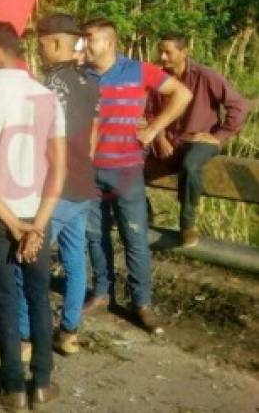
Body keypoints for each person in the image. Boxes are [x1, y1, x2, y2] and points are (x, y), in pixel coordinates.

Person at [0, 21, 65, 411]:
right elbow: (59, 168)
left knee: (4, 299)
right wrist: (35, 224)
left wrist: (9, 222)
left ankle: (12, 388)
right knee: (38, 296)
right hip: (38, 211)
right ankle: (41, 382)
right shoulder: (47, 96)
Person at [82, 19, 192, 335]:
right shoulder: (81, 75)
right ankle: (102, 292)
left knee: (135, 237)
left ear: (109, 43)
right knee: (94, 234)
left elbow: (181, 95)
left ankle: (141, 302)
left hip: (127, 168)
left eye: (90, 39)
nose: (84, 45)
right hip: (89, 169)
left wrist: (154, 129)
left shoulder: (138, 70)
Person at [14, 14, 100, 357]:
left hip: (56, 186)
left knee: (27, 259)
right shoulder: (89, 82)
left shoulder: (49, 88)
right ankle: (69, 331)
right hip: (83, 182)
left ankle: (23, 338)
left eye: (41, 43)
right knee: (75, 258)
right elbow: (92, 135)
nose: (40, 50)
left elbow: (37, 140)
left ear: (53, 42)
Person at [149, 33, 249, 247]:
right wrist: (160, 137)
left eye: (169, 52)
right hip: (166, 139)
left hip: (198, 139)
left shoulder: (205, 76)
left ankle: (187, 224)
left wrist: (219, 136)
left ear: (184, 52)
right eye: (161, 52)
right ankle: (140, 213)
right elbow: (149, 112)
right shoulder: (157, 76)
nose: (163, 57)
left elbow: (239, 105)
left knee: (191, 165)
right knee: (128, 160)